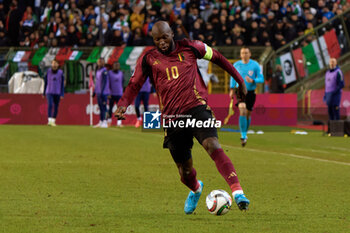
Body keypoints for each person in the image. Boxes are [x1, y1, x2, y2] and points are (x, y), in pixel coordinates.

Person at [115, 21, 250, 214]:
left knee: (212, 144)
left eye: (164, 37)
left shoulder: (191, 47)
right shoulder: (148, 58)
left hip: (196, 108)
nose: (161, 42)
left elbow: (218, 57)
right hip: (172, 118)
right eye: (157, 39)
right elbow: (134, 83)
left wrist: (240, 80)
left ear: (172, 34)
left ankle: (238, 192)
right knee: (185, 172)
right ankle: (196, 188)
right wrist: (123, 104)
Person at [229, 47, 264, 147]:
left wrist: (253, 80)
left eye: (246, 53)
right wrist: (231, 89)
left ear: (250, 54)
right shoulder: (236, 65)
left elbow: (261, 79)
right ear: (240, 55)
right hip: (240, 91)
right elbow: (233, 77)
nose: (244, 55)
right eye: (242, 53)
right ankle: (243, 135)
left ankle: (245, 133)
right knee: (242, 109)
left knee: (248, 114)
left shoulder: (255, 65)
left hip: (251, 92)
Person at [43, 59, 64, 126]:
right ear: (51, 64)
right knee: (50, 105)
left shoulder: (61, 73)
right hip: (49, 91)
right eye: (53, 63)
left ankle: (53, 120)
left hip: (57, 92)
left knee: (56, 106)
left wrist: (62, 93)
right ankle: (49, 120)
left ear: (58, 65)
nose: (54, 65)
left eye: (55, 63)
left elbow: (62, 84)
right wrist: (43, 93)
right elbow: (45, 82)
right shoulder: (48, 72)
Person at [324, 58, 344, 124]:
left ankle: (337, 129)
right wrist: (325, 95)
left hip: (336, 95)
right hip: (328, 95)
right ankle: (331, 129)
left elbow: (341, 84)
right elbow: (327, 85)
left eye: (333, 62)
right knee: (330, 112)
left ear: (336, 63)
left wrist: (334, 92)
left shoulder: (338, 72)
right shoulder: (327, 73)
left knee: (336, 111)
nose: (332, 63)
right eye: (331, 62)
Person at [93, 58, 110, 128]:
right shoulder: (98, 71)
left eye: (101, 62)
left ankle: (105, 122)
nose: (99, 63)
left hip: (104, 92)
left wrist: (102, 91)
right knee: (100, 107)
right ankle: (101, 121)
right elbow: (97, 82)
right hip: (98, 92)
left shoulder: (104, 71)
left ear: (103, 63)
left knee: (104, 107)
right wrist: (94, 91)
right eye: (99, 61)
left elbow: (104, 82)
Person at [107, 61, 124, 127]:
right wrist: (108, 92)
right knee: (110, 108)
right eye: (115, 65)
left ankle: (119, 123)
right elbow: (107, 84)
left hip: (119, 93)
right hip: (111, 94)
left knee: (120, 108)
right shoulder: (109, 73)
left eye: (118, 65)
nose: (117, 66)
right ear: (113, 66)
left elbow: (122, 83)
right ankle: (109, 121)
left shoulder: (121, 73)